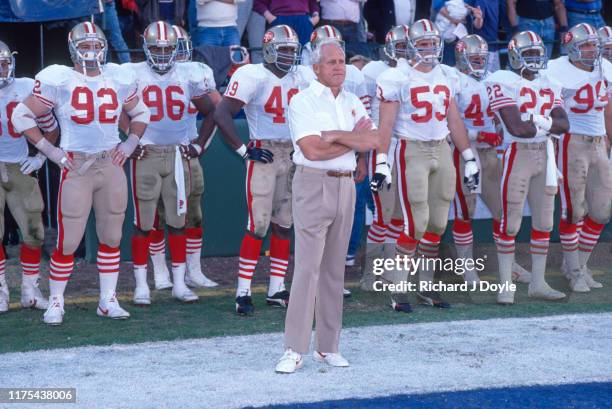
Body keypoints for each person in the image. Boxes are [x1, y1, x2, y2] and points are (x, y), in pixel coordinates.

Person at [12, 22, 151, 325]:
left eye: (95, 45)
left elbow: (142, 113)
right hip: (76, 165)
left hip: (111, 164)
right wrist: (51, 152)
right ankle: (57, 301)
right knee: (68, 240)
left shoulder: (117, 76)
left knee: (112, 236)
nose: (91, 51)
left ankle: (107, 300)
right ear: (73, 47)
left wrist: (129, 144)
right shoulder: (59, 79)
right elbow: (20, 115)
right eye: (84, 45)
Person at [275, 40, 378, 374]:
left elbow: (373, 141)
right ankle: (294, 348)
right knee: (307, 268)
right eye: (331, 61)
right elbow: (313, 150)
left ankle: (328, 347)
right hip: (312, 182)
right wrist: (351, 137)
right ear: (316, 67)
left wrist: (336, 136)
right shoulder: (302, 101)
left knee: (335, 270)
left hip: (346, 185)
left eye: (342, 61)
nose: (338, 66)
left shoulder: (352, 101)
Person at [376, 19, 480, 312]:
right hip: (412, 150)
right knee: (415, 222)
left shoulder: (447, 75)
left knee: (437, 223)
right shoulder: (397, 76)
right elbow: (385, 124)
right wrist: (382, 160)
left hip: (442, 149)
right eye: (423, 44)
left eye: (433, 43)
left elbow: (454, 120)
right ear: (410, 46)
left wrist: (469, 156)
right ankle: (398, 288)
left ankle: (426, 286)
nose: (429, 49)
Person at [214, 25, 311, 315]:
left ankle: (276, 288)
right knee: (257, 225)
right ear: (268, 49)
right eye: (283, 49)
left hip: (293, 152)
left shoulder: (303, 76)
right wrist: (244, 150)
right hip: (264, 152)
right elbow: (221, 113)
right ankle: (243, 291)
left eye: (292, 50)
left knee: (285, 224)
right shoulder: (251, 75)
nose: (288, 55)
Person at [124, 21, 218, 305]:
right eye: (156, 48)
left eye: (168, 48)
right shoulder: (131, 73)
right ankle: (143, 284)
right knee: (144, 222)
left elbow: (213, 111)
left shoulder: (190, 73)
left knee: (179, 220)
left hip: (178, 153)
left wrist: (199, 144)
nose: (163, 54)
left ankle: (179, 283)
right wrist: (131, 142)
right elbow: (115, 108)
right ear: (146, 48)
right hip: (148, 152)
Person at [484, 30, 569, 304]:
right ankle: (506, 283)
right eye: (528, 53)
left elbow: (564, 125)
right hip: (518, 154)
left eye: (536, 53)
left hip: (545, 156)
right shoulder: (503, 81)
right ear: (514, 55)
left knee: (545, 221)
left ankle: (538, 283)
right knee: (511, 223)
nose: (534, 58)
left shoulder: (551, 82)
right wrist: (547, 124)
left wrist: (538, 120)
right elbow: (517, 128)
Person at [451, 34, 531, 285]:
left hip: (490, 154)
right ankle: (467, 268)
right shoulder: (453, 81)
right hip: (466, 153)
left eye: (481, 58)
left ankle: (509, 265)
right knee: (466, 211)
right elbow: (449, 125)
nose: (478, 62)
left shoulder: (493, 80)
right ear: (461, 57)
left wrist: (497, 132)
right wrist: (478, 134)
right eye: (473, 58)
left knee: (503, 210)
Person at [301, 25, 369, 297]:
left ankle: (332, 280)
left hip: (345, 155)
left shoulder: (352, 75)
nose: (336, 63)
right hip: (312, 156)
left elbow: (363, 125)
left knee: (339, 227)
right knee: (313, 227)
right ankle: (309, 283)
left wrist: (361, 156)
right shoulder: (304, 74)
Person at [545, 23, 612, 292]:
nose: (590, 50)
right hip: (572, 142)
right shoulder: (555, 70)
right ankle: (574, 272)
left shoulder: (604, 67)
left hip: (598, 143)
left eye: (593, 45)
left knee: (602, 209)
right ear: (571, 46)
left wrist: (608, 139)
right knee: (573, 210)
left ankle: (580, 265)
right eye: (585, 45)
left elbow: (608, 108)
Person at [0, 41, 56, 313]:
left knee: (34, 232)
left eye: (4, 63)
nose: (1, 70)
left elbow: (51, 127)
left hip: (21, 165)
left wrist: (40, 157)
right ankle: (0, 291)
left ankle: (30, 291)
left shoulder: (25, 87)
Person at [359, 25, 408, 292]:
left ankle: (389, 273)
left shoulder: (414, 72)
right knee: (383, 214)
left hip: (408, 147)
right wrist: (366, 156)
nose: (404, 53)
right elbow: (365, 114)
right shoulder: (372, 72)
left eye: (407, 47)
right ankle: (370, 274)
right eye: (400, 47)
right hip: (382, 147)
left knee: (400, 214)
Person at [253, 0, 320, 45]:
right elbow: (258, 2)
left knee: (305, 55)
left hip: (304, 21)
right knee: (281, 55)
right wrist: (270, 18)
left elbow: (313, 2)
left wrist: (316, 15)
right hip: (280, 19)